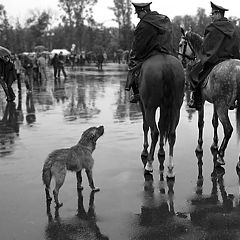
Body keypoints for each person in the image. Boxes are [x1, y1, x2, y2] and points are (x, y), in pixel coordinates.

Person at [188, 1, 240, 110]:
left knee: (194, 73)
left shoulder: (213, 27)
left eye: (212, 14)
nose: (211, 17)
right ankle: (234, 100)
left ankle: (196, 100)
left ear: (218, 14)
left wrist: (203, 56)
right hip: (232, 58)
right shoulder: (232, 27)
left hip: (216, 59)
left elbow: (206, 46)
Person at [125, 2, 174, 103]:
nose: (138, 16)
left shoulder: (144, 24)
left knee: (132, 64)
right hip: (166, 51)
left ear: (144, 11)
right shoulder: (163, 19)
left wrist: (133, 54)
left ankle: (136, 93)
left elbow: (138, 44)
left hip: (150, 53)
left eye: (138, 13)